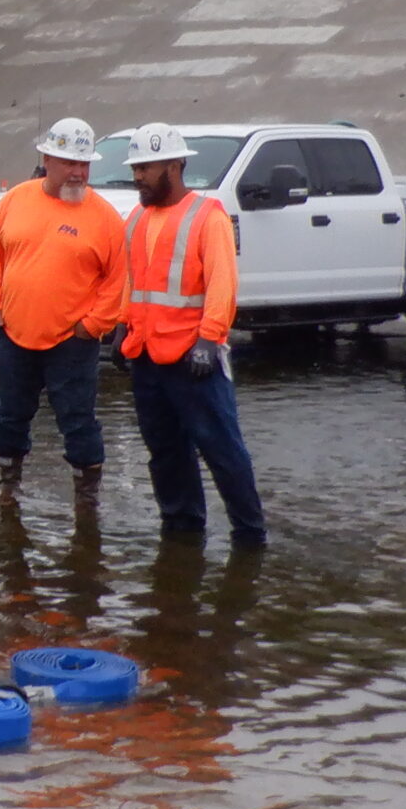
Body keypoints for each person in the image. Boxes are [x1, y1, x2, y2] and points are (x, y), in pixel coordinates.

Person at [118, 121, 269, 548]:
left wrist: (209, 338)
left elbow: (223, 282)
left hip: (193, 359)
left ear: (175, 165)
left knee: (221, 449)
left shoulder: (208, 217)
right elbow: (133, 283)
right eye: (136, 168)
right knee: (165, 452)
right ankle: (182, 528)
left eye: (147, 167)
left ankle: (249, 533)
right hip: (146, 356)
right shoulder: (136, 220)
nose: (138, 176)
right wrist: (120, 328)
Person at [0, 116, 127, 513]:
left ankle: (86, 498)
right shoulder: (14, 201)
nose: (78, 172)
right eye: (68, 163)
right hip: (13, 333)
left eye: (84, 164)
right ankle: (9, 487)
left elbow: (116, 282)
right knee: (9, 416)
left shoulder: (106, 218)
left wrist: (92, 326)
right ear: (47, 159)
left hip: (72, 341)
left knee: (78, 421)